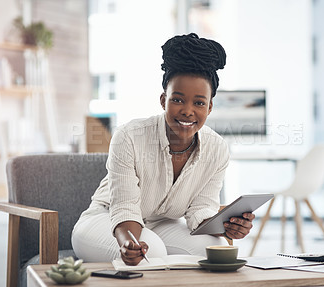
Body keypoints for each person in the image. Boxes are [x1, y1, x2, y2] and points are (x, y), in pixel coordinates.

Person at [72, 33, 255, 266]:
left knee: (213, 249)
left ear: (209, 107)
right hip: (106, 219)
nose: (188, 111)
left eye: (199, 103)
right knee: (154, 251)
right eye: (178, 100)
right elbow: (125, 207)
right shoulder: (129, 136)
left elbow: (200, 209)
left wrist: (227, 227)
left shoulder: (217, 149)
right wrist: (127, 243)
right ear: (163, 100)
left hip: (161, 225)